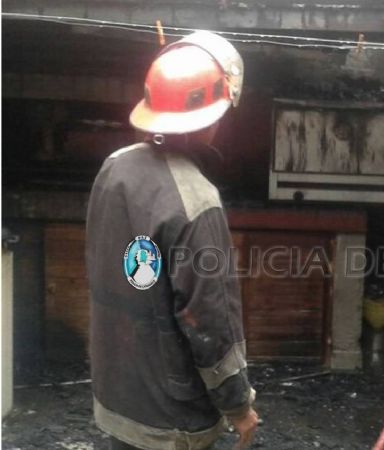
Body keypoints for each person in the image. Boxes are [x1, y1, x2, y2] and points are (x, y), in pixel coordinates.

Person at [86, 31, 259, 450]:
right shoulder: (196, 200)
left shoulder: (113, 169)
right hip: (171, 419)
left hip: (117, 396)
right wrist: (238, 406)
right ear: (215, 115)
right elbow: (209, 324)